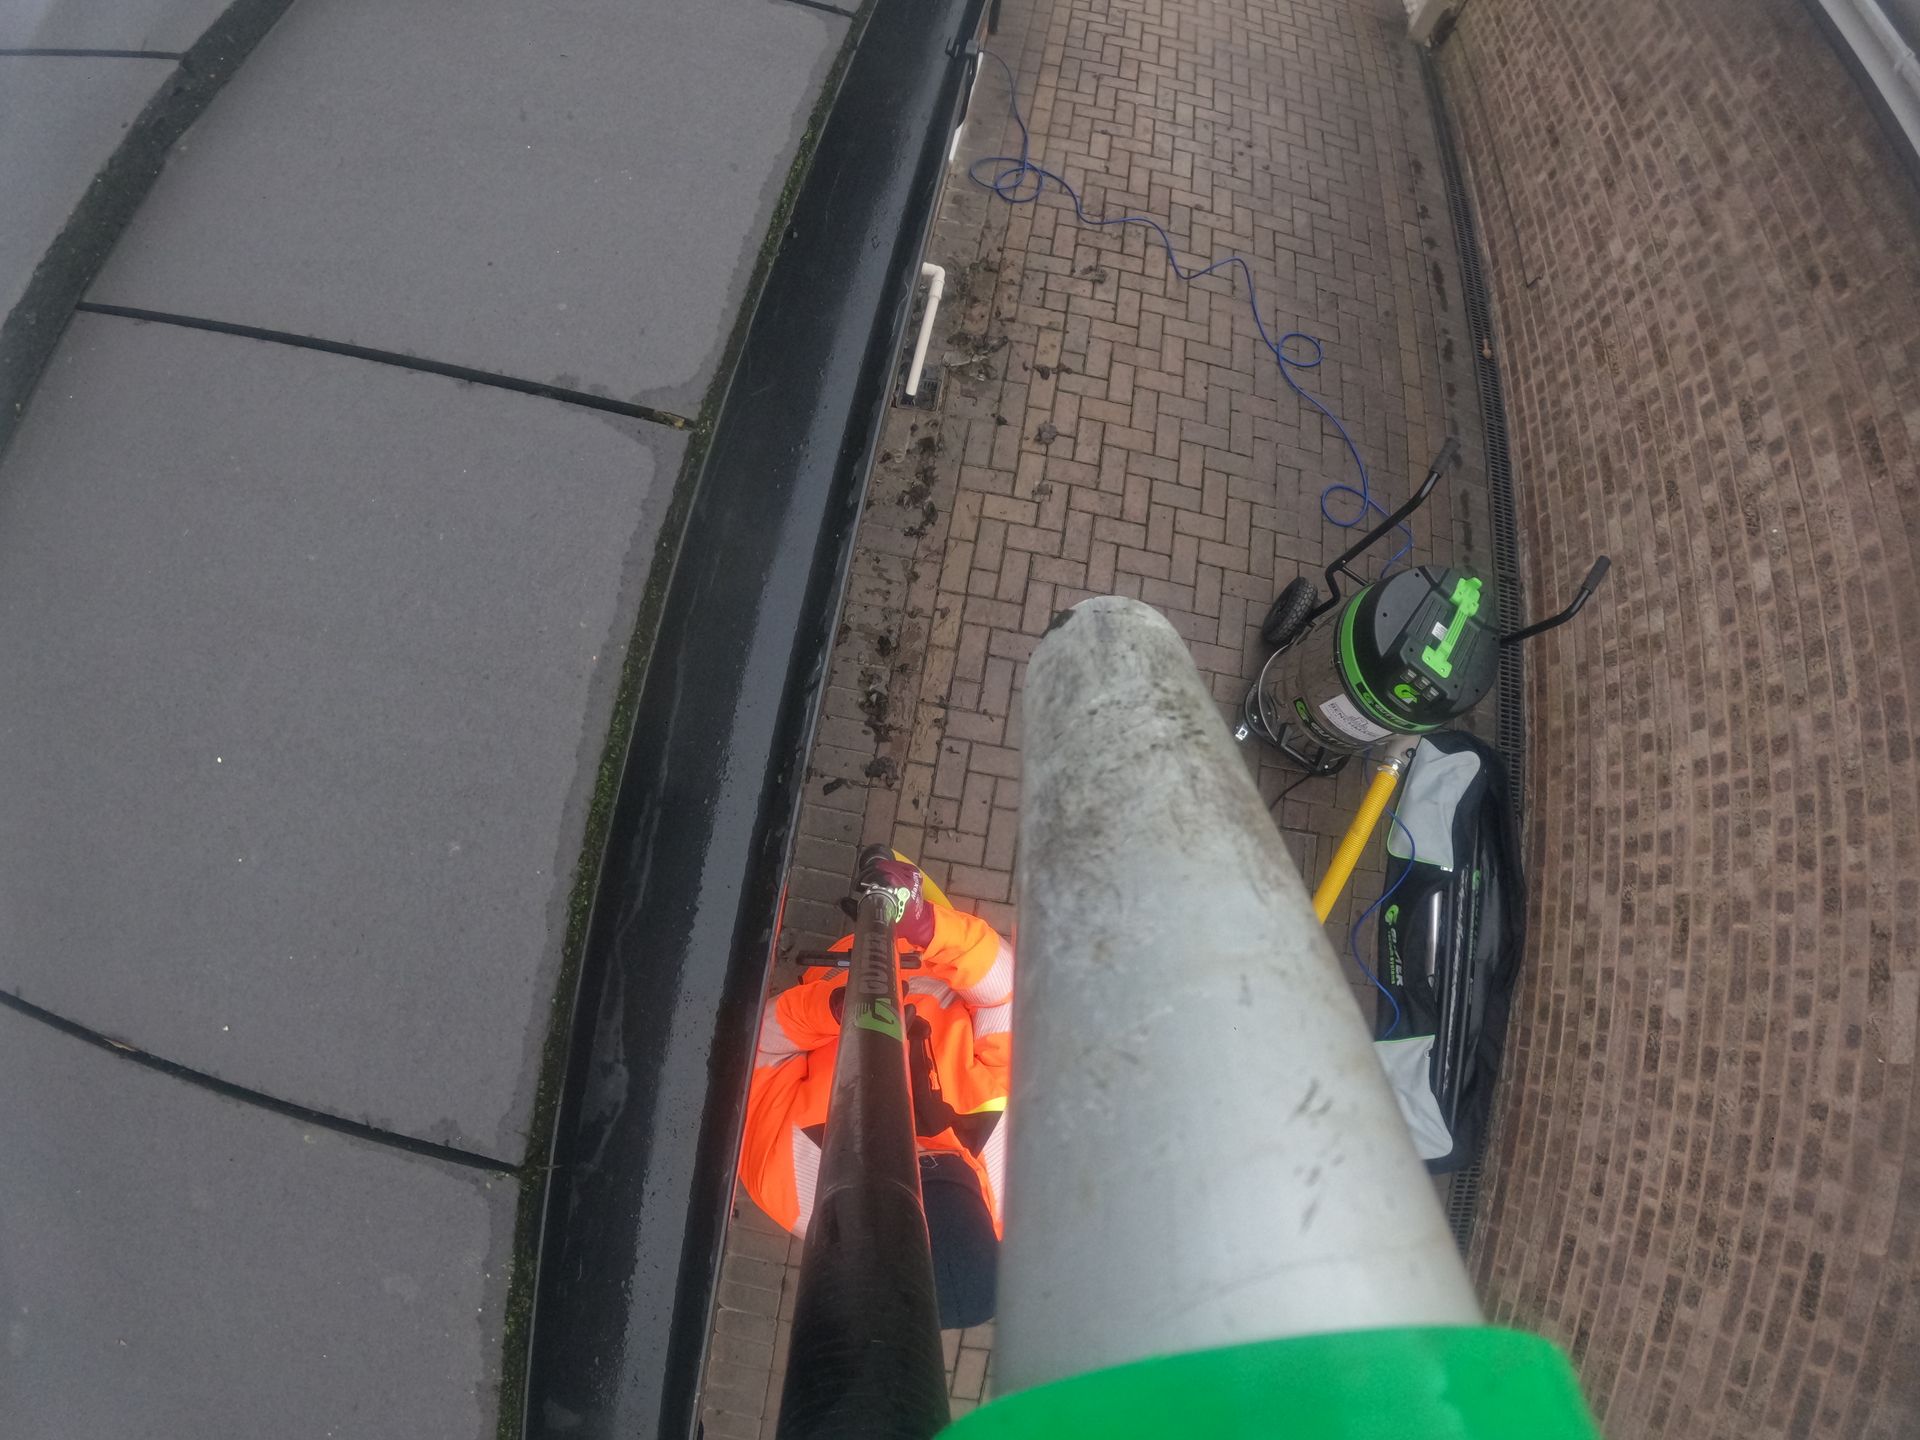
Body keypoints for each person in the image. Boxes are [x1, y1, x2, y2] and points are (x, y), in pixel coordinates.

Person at [740, 849, 1012, 1329]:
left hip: (835, 978)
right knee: (884, 860)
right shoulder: (1022, 1156)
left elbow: (754, 1052)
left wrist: (832, 1010)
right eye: (933, 1163)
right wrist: (929, 927)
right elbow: (1006, 994)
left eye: (904, 1170)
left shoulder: (788, 1187)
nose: (917, 1146)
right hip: (933, 954)